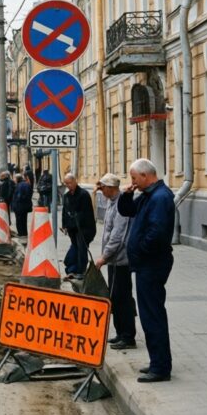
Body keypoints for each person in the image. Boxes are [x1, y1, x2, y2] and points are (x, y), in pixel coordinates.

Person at [117, 158, 174, 383]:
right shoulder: (148, 195)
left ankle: (160, 368)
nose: (132, 182)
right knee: (150, 314)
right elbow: (127, 210)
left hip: (152, 264)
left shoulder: (160, 197)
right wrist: (127, 194)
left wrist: (140, 250)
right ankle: (157, 361)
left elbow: (157, 233)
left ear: (145, 175)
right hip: (146, 264)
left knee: (152, 316)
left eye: (134, 178)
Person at [94, 173, 137, 351]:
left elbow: (118, 236)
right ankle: (120, 333)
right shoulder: (111, 202)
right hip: (114, 260)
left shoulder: (120, 205)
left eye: (103, 187)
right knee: (115, 297)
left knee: (122, 297)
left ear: (111, 188)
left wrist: (104, 257)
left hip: (121, 260)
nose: (100, 190)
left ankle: (128, 336)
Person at [61, 173, 96, 279]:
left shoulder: (83, 194)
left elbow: (86, 214)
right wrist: (64, 225)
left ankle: (80, 272)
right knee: (76, 248)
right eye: (66, 184)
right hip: (72, 229)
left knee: (81, 249)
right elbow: (64, 211)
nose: (68, 185)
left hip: (84, 228)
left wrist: (74, 222)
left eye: (70, 183)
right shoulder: (66, 196)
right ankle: (73, 270)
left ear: (75, 181)